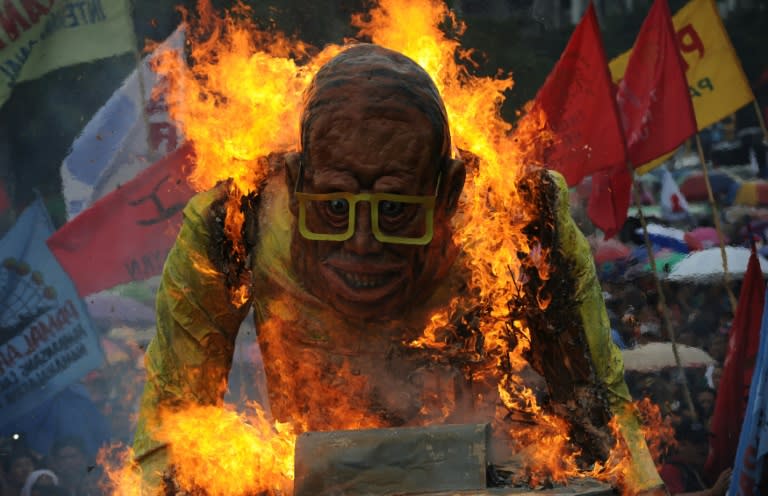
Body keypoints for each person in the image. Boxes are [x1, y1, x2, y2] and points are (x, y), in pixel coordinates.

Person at [133, 43, 665, 494]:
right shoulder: (231, 225)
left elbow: (596, 402)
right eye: (335, 208)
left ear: (449, 192)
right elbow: (172, 423)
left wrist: (641, 485)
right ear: (297, 185)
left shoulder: (521, 219)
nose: (362, 243)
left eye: (395, 209)